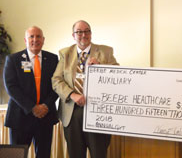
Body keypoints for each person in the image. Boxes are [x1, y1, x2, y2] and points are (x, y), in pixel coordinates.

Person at [52, 20, 119, 158]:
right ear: (73, 35)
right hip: (72, 112)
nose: (84, 34)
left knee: (98, 153)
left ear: (91, 33)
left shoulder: (105, 51)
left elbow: (118, 77)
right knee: (76, 154)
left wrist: (101, 67)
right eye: (79, 32)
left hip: (97, 112)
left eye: (87, 31)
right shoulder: (66, 53)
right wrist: (72, 94)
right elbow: (56, 80)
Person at [3, 26, 58, 158]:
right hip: (20, 117)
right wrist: (32, 108)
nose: (35, 39)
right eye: (31, 36)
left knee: (44, 155)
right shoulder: (13, 59)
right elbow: (11, 87)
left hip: (45, 117)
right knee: (17, 155)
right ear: (25, 40)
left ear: (43, 40)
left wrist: (45, 106)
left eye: (38, 36)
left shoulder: (52, 59)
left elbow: (57, 85)